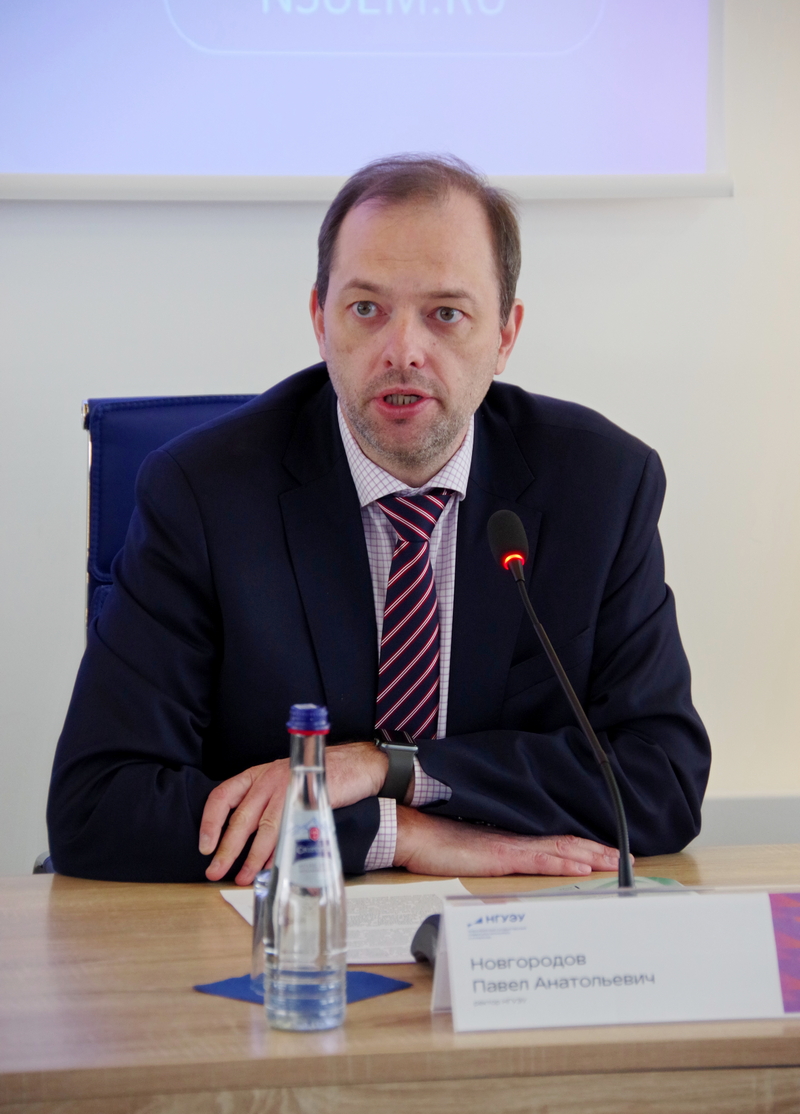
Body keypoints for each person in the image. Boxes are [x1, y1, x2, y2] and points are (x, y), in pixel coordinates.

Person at [48, 155, 710, 885]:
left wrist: (393, 769)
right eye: (366, 309)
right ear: (319, 321)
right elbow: (97, 807)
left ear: (505, 336)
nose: (404, 351)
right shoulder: (202, 495)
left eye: (446, 314)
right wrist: (395, 834)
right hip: (274, 932)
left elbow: (662, 783)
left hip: (515, 925)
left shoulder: (602, 488)